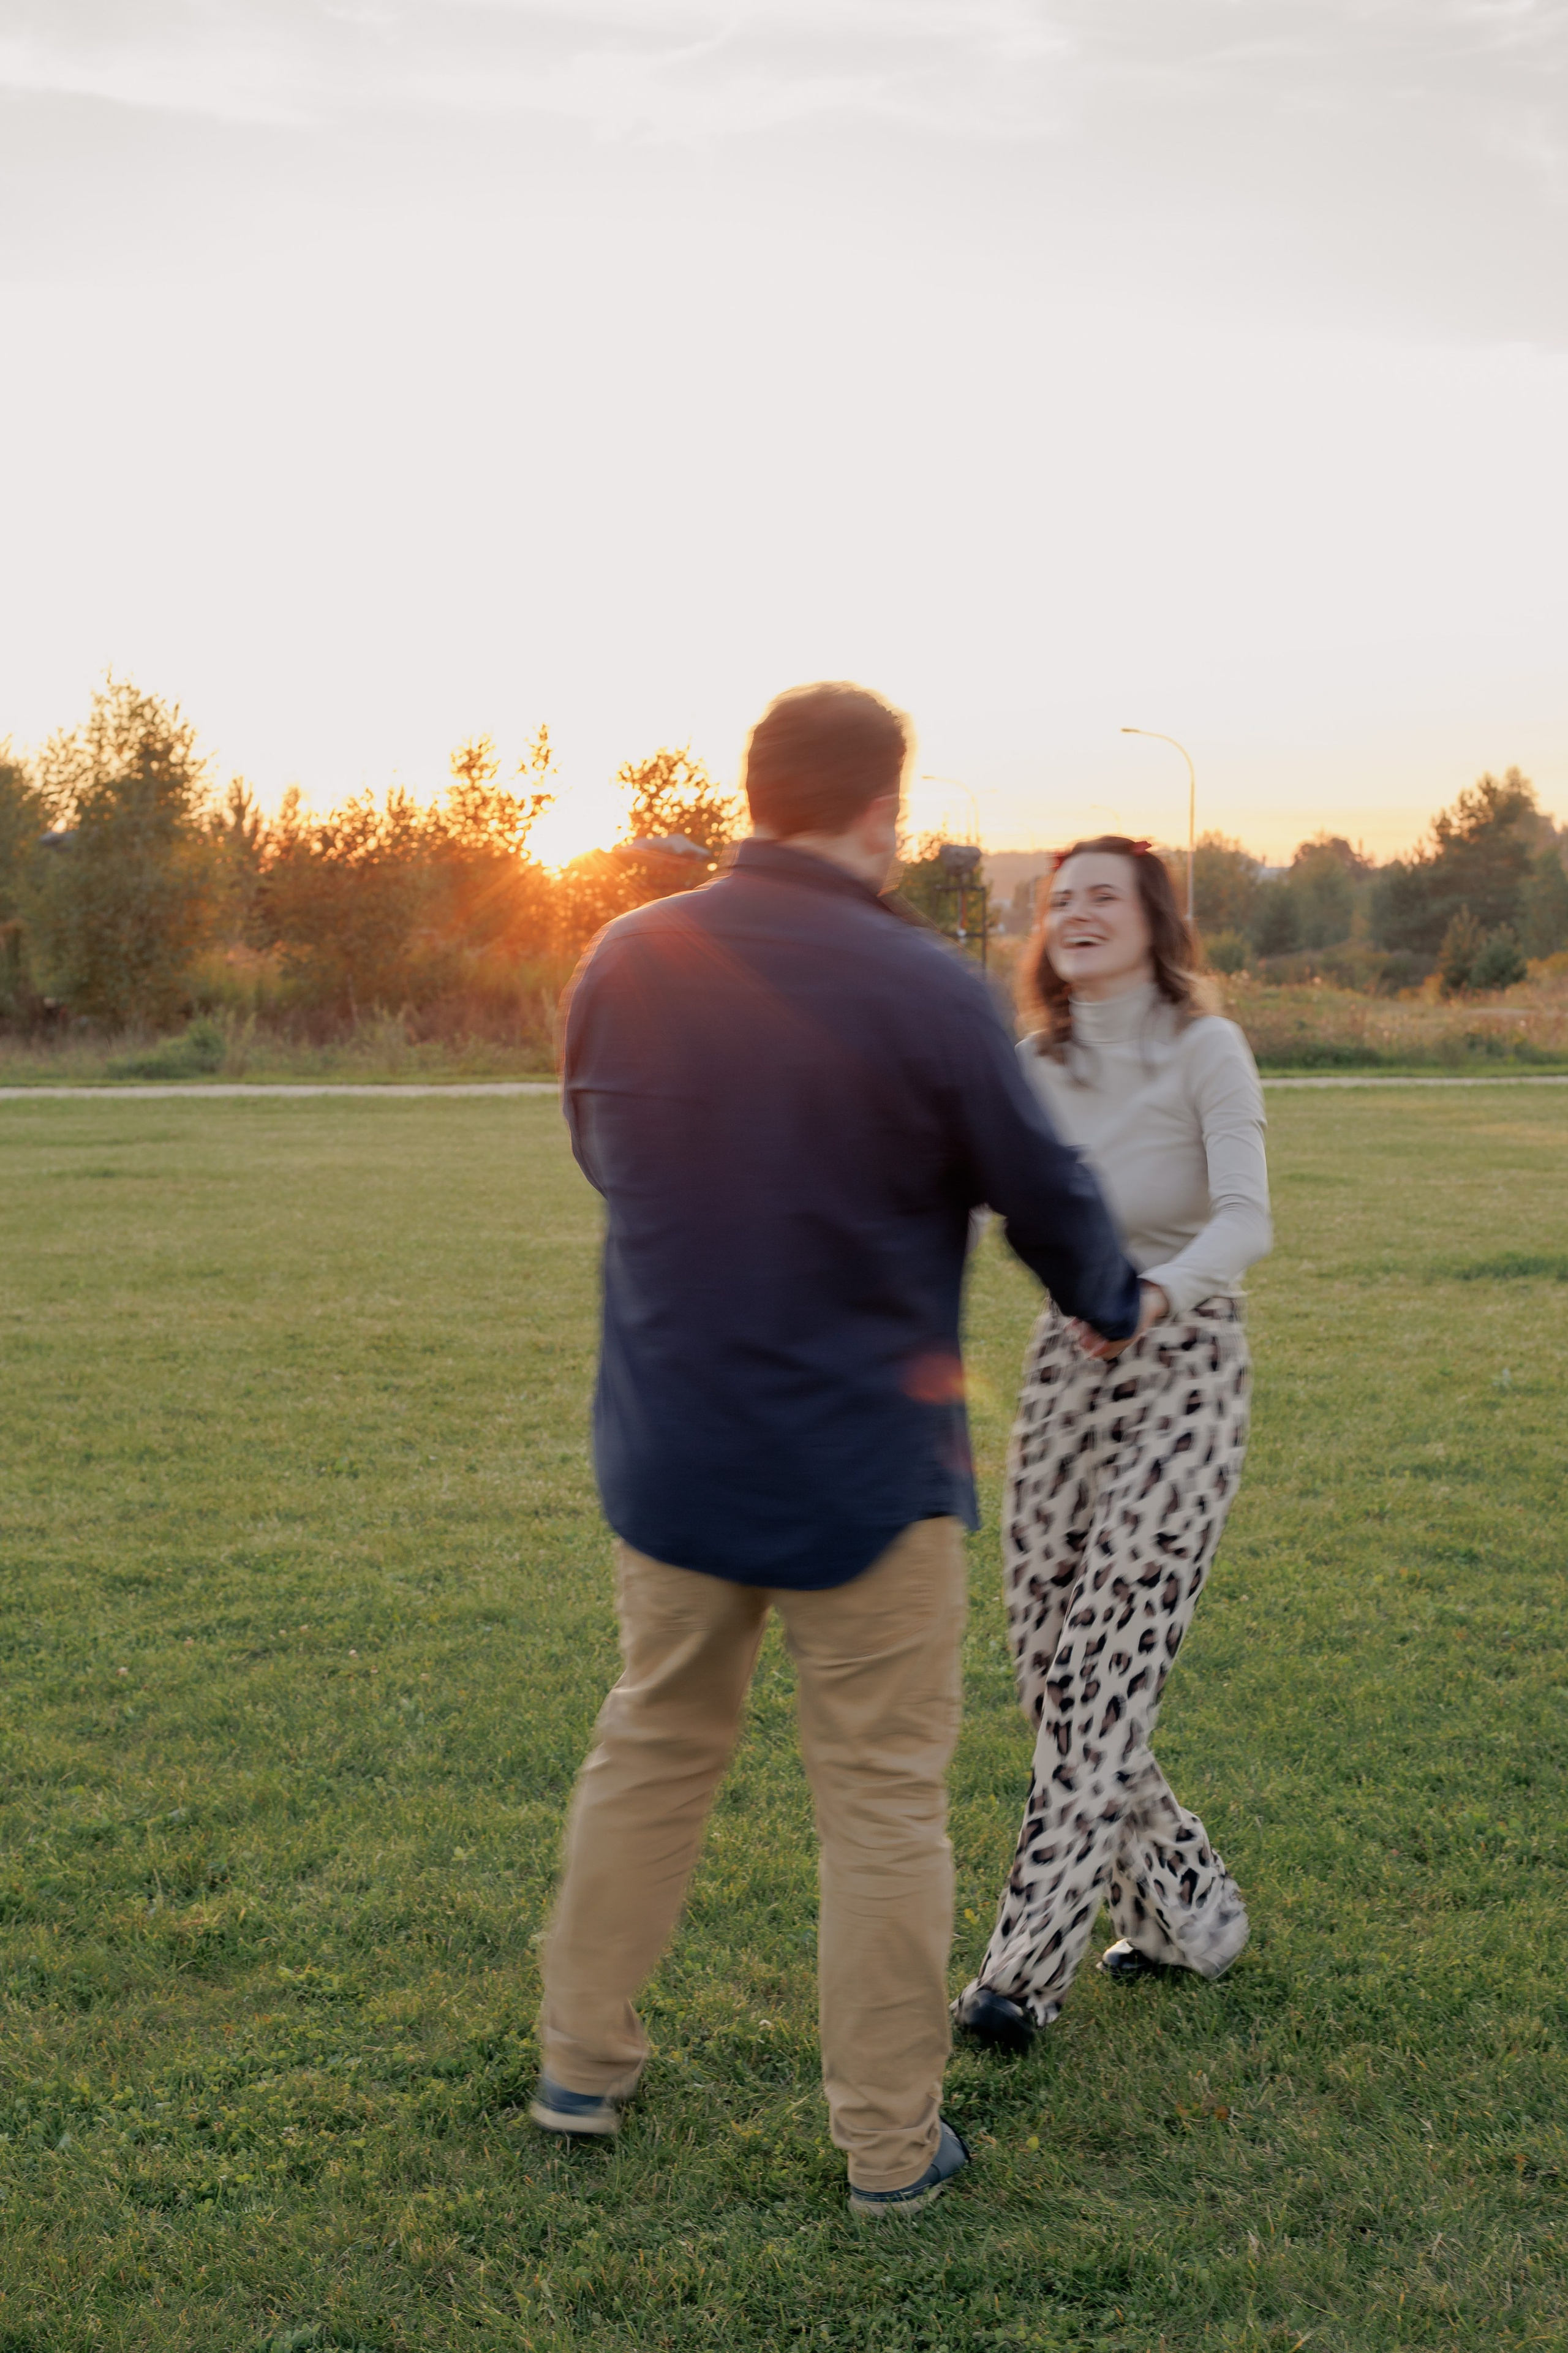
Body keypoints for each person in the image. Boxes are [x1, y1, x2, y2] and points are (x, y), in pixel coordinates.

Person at [532, 686, 1143, 2218]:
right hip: (866, 1473)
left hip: (672, 1452)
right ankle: (885, 2151)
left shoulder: (626, 954)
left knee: (651, 1743)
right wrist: (1110, 1301)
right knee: (878, 1800)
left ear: (755, 795)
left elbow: (604, 1151)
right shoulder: (923, 986)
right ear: (881, 808)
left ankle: (579, 2068)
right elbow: (1042, 1190)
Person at [954, 835, 1272, 2053]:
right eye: (1057, 898)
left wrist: (1150, 1298)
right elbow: (981, 1195)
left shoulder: (1206, 1048)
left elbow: (1244, 1218)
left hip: (1186, 1368)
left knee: (1103, 1665)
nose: (1075, 912)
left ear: (1151, 917)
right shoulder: (1029, 1066)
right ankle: (1190, 1907)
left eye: (1103, 894)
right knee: (1048, 1667)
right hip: (1060, 1376)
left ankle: (1019, 1975)